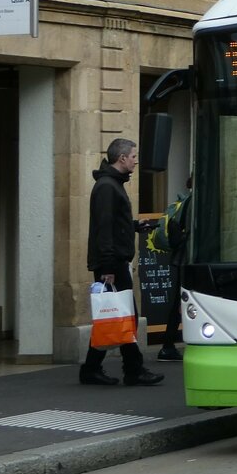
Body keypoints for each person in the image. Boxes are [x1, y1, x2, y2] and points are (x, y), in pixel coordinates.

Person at [79, 138, 164, 387]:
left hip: (114, 259)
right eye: (134, 156)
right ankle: (131, 370)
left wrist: (136, 226)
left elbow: (114, 223)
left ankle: (100, 369)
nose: (136, 161)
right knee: (123, 315)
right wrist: (107, 268)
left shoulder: (113, 184)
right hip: (111, 263)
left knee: (121, 316)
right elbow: (103, 228)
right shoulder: (107, 186)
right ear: (122, 158)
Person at [157, 178, 191, 362]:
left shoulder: (185, 201)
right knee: (181, 302)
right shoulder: (194, 201)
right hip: (188, 258)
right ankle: (167, 346)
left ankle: (167, 345)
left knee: (178, 301)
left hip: (181, 258)